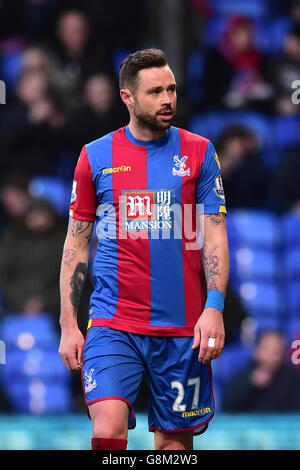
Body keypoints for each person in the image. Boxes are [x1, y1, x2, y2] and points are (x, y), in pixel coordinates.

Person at [58, 48, 229, 451]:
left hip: (182, 329)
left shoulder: (200, 152)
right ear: (127, 98)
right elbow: (76, 243)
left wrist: (215, 306)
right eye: (155, 92)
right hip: (113, 323)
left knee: (173, 446)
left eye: (171, 89)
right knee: (108, 425)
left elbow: (216, 234)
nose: (168, 99)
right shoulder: (95, 156)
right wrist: (68, 323)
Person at [222, 330, 300, 412]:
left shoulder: (292, 378)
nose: (272, 355)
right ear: (256, 351)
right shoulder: (244, 374)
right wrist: (250, 384)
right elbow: (228, 406)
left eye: (277, 351)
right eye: (267, 349)